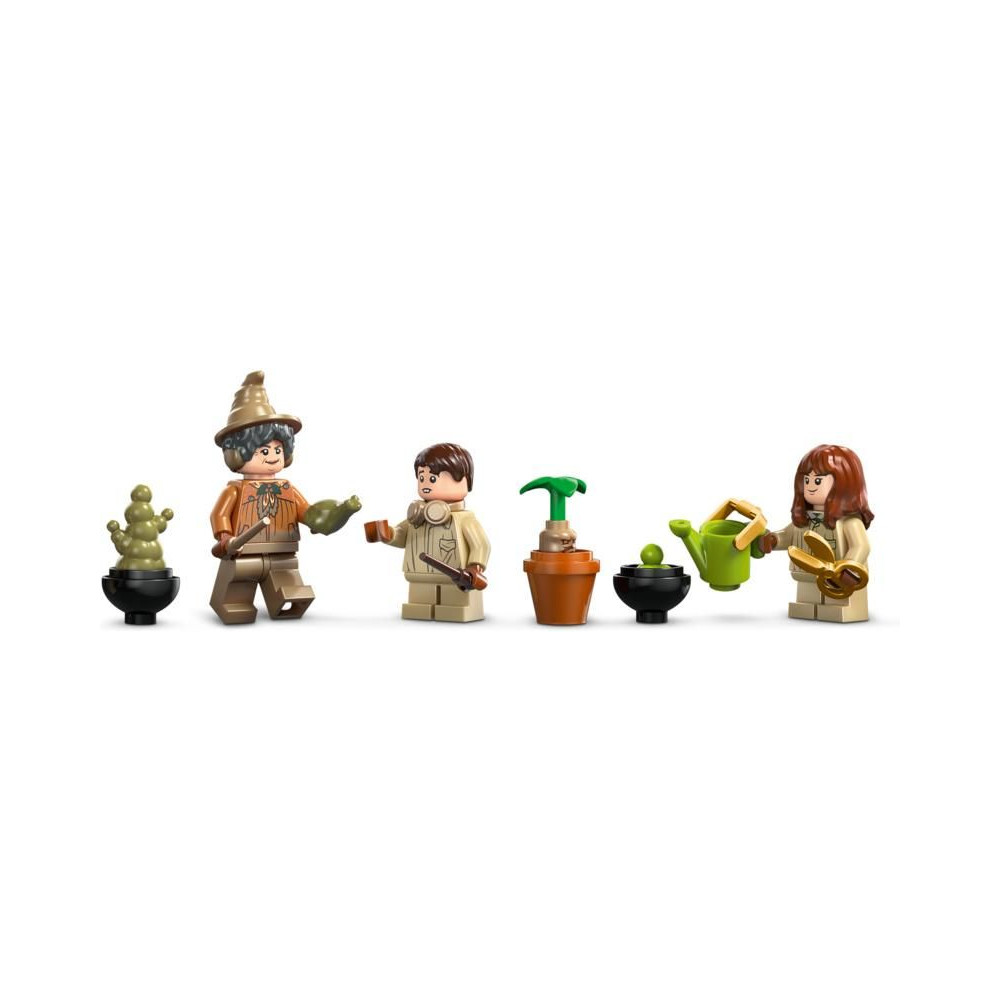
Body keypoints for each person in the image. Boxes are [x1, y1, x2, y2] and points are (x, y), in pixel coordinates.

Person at [757, 444, 873, 623]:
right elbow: (788, 536)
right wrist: (773, 540)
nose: (810, 486)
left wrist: (848, 568)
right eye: (807, 480)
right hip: (806, 571)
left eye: (818, 481)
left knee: (837, 598)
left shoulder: (849, 522)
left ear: (844, 483)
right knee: (807, 594)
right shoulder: (805, 519)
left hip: (836, 578)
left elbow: (861, 546)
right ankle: (807, 607)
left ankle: (838, 608)